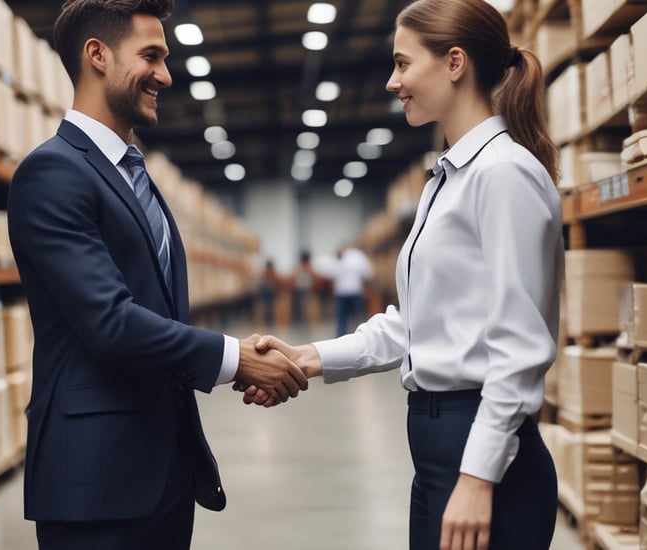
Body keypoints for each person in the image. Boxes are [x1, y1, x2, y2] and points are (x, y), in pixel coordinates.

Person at [240, 1, 563, 549]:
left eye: (402, 63)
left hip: (479, 449)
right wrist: (307, 359)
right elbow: (416, 325)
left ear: (454, 62)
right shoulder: (447, 179)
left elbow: (521, 346)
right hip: (438, 448)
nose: (393, 82)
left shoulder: (503, 174)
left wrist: (477, 476)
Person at [7, 1, 307, 548]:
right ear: (96, 55)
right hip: (97, 484)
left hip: (163, 470)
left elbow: (158, 312)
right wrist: (235, 358)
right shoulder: (52, 173)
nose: (166, 75)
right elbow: (112, 323)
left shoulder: (130, 173)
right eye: (152, 56)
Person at [318, 246, 374, 337]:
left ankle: (341, 339)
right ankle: (362, 337)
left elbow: (329, 273)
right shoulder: (358, 257)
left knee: (342, 319)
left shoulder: (341, 258)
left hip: (342, 294)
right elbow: (368, 273)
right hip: (354, 292)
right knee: (357, 317)